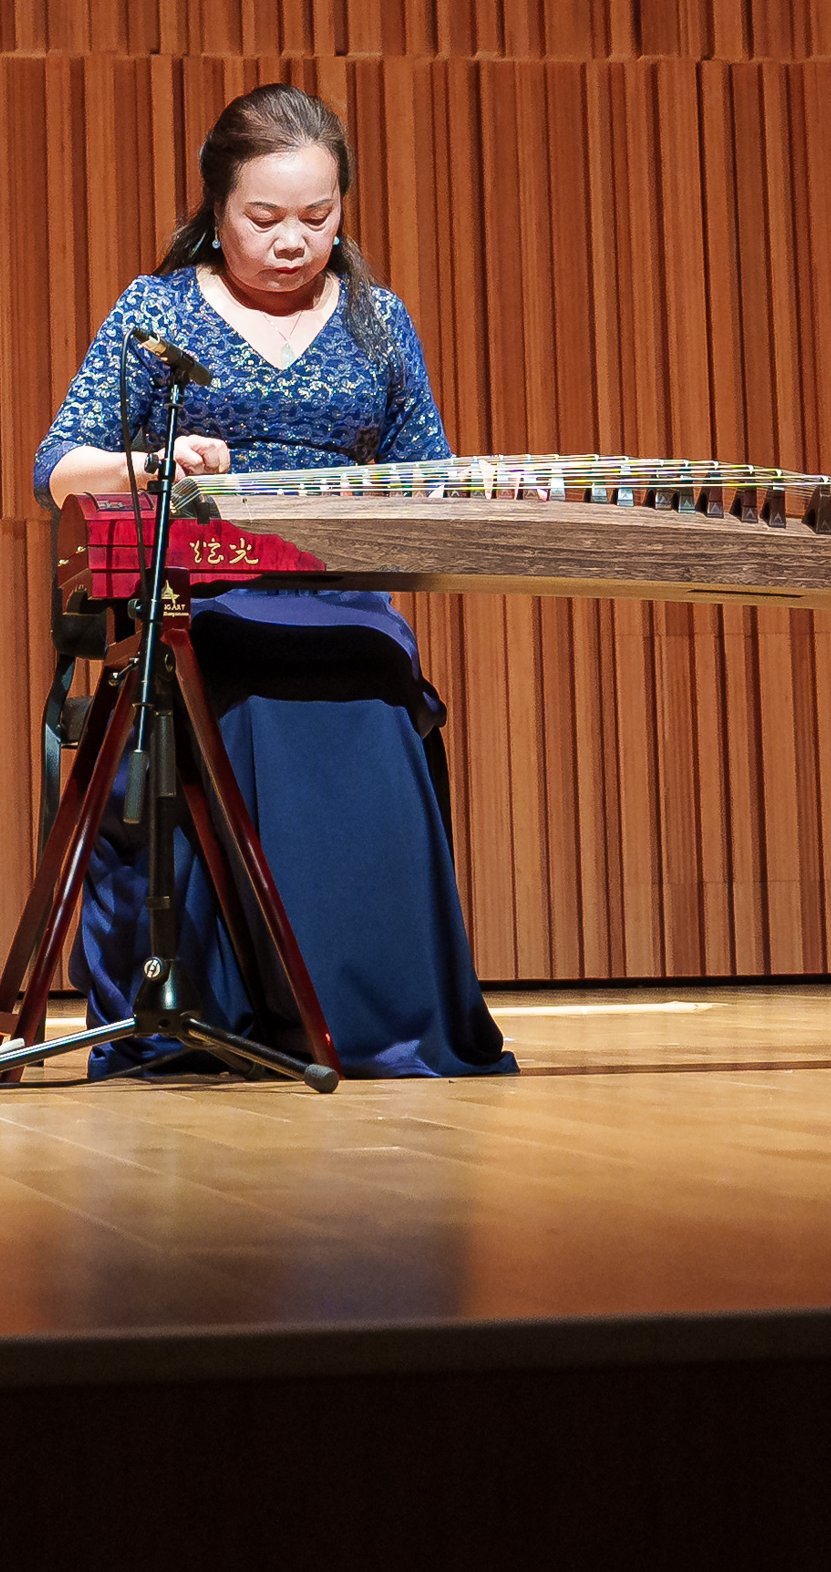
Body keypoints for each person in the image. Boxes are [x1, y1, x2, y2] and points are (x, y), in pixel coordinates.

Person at [32, 85, 513, 1079]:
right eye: (265, 217)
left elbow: (430, 473)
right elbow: (60, 466)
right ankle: (250, 1006)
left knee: (375, 682)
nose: (295, 240)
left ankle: (373, 1013)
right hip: (203, 599)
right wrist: (155, 469)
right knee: (241, 676)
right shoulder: (158, 308)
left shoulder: (379, 321)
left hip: (339, 598)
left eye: (319, 215)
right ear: (217, 210)